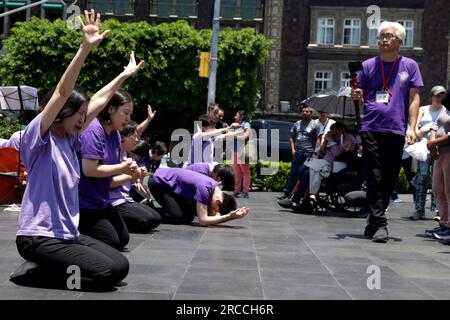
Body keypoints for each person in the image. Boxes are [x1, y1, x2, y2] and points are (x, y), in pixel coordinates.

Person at [10, 10, 130, 290]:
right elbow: (62, 93)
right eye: (78, 113)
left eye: (84, 114)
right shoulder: (38, 138)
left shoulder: (70, 140)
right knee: (106, 274)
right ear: (62, 112)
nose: (82, 118)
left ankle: (51, 266)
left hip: (67, 234)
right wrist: (84, 49)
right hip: (38, 237)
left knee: (120, 265)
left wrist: (123, 75)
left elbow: (100, 100)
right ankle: (37, 272)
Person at [353, 21, 423, 243]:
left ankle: (373, 220)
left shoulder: (410, 66)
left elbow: (414, 99)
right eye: (381, 36)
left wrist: (412, 127)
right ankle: (381, 223)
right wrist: (356, 95)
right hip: (371, 126)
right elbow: (360, 93)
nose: (383, 39)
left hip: (396, 127)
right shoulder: (368, 65)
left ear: (400, 41)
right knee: (374, 174)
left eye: (389, 36)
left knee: (390, 177)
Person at [78, 83, 144, 251]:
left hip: (100, 200)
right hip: (83, 203)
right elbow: (89, 169)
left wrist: (129, 173)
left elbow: (111, 173)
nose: (128, 119)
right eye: (125, 113)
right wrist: (122, 168)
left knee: (122, 239)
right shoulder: (94, 131)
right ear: (110, 110)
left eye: (130, 114)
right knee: (112, 242)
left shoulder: (114, 134)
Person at [278, 122, 357, 210]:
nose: (333, 134)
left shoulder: (348, 139)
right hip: (324, 163)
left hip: (335, 166)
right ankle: (300, 197)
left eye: (334, 132)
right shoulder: (336, 138)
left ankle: (296, 198)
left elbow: (336, 153)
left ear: (340, 130)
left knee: (308, 173)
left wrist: (331, 141)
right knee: (302, 169)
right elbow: (321, 151)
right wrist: (326, 142)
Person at [109, 121, 161, 233]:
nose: (137, 140)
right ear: (123, 137)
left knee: (155, 218)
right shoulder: (112, 155)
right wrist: (130, 175)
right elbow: (108, 183)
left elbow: (130, 180)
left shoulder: (124, 154)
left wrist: (138, 177)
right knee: (146, 221)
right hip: (114, 201)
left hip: (125, 198)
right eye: (134, 137)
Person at [148, 168, 249, 226]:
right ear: (219, 201)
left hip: (170, 185)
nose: (214, 213)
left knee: (188, 216)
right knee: (177, 217)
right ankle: (149, 209)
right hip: (158, 182)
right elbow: (203, 220)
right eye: (215, 210)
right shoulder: (205, 189)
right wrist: (229, 217)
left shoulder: (213, 187)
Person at [410, 86, 446, 220]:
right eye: (437, 95)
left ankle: (438, 210)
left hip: (440, 148)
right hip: (424, 147)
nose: (439, 98)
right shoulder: (423, 109)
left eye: (442, 95)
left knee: (438, 180)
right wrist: (425, 128)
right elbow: (417, 130)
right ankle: (419, 209)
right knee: (422, 177)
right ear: (432, 96)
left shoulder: (446, 110)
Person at [278, 104, 321, 199]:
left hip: (308, 154)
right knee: (293, 173)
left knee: (303, 175)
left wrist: (315, 152)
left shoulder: (315, 124)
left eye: (307, 111)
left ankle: (299, 195)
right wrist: (293, 149)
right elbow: (291, 137)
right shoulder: (297, 123)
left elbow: (318, 139)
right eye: (303, 111)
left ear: (311, 113)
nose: (305, 113)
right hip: (297, 153)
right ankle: (287, 192)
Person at [426, 87, 450, 243]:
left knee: (449, 190)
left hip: (448, 152)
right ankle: (444, 222)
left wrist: (434, 142)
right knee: (438, 188)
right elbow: (434, 125)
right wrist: (432, 144)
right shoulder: (445, 110)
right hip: (440, 152)